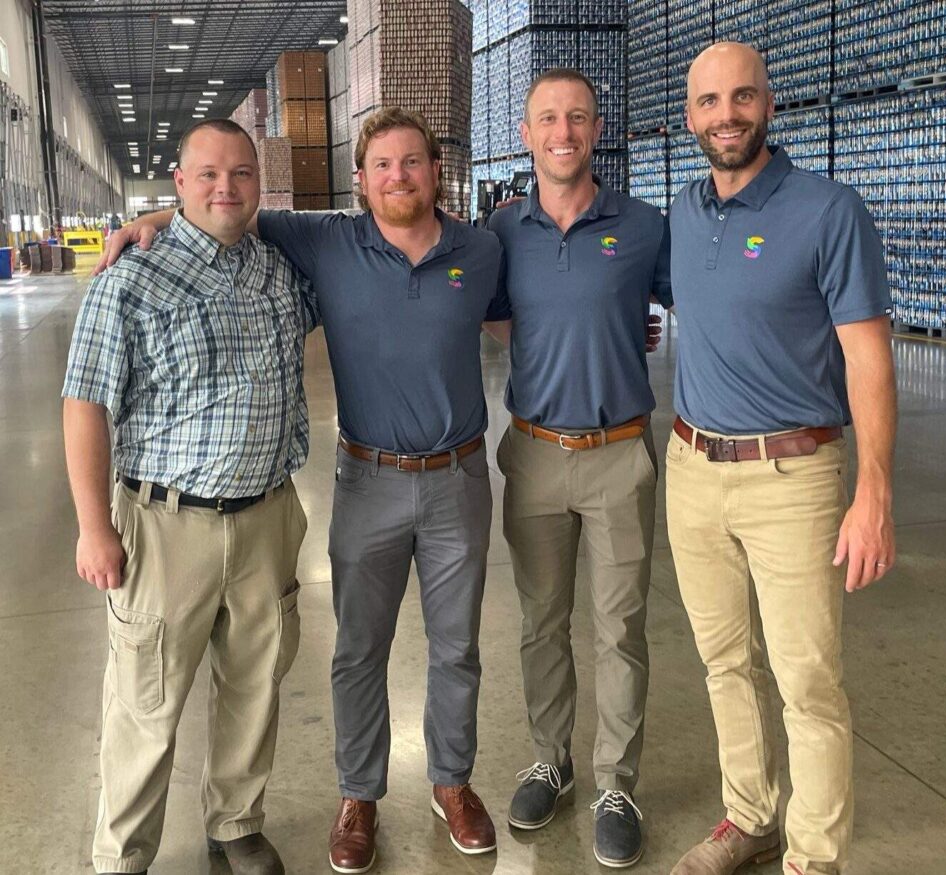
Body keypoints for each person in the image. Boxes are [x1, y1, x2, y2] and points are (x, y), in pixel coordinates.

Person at [101, 107, 509, 874]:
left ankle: (452, 782)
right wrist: (156, 214)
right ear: (359, 180)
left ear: (435, 170)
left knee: (457, 646)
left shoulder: (480, 249)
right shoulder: (327, 241)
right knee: (358, 650)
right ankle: (359, 796)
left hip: (459, 478)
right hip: (367, 480)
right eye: (382, 164)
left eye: (412, 161)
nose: (398, 176)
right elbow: (230, 206)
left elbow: (522, 319)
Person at [665, 43, 897, 875]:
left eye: (742, 97)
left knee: (808, 682)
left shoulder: (830, 211)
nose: (726, 114)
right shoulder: (685, 214)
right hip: (691, 469)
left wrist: (873, 489)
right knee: (725, 662)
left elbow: (869, 356)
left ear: (770, 102)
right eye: (710, 101)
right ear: (689, 116)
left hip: (792, 479)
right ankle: (751, 815)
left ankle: (814, 857)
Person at [64, 119, 317, 875]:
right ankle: (123, 852)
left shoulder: (278, 270)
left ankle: (236, 821)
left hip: (268, 515)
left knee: (255, 682)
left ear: (259, 186)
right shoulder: (129, 279)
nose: (225, 188)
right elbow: (85, 403)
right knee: (146, 700)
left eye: (241, 174)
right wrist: (91, 526)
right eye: (207, 174)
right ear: (178, 183)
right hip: (166, 522)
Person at [487, 68, 671, 869]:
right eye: (547, 119)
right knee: (541, 622)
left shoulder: (643, 225)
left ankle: (616, 783)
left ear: (598, 130)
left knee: (621, 627)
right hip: (532, 454)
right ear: (525, 135)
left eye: (578, 118)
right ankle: (551, 760)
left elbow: (707, 284)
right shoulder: (496, 230)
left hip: (619, 454)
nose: (563, 132)